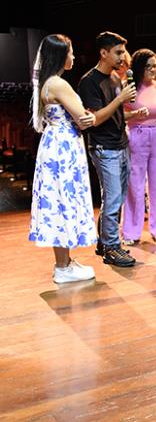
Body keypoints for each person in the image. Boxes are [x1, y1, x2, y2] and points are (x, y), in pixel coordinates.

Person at [28, 34, 98, 283]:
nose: (74, 56)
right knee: (62, 201)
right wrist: (91, 116)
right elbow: (83, 119)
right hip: (64, 147)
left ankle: (65, 263)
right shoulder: (58, 83)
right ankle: (63, 267)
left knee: (59, 201)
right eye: (71, 51)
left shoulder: (48, 82)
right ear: (60, 55)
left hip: (57, 144)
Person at [77, 31, 137, 267]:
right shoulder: (89, 82)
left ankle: (105, 241)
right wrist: (120, 99)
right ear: (104, 53)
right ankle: (112, 248)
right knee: (112, 199)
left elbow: (116, 115)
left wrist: (127, 108)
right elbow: (95, 119)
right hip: (103, 147)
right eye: (118, 52)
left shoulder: (114, 78)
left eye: (123, 51)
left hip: (121, 144)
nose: (123, 57)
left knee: (116, 198)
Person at [122, 49, 156, 245]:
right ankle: (131, 232)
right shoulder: (128, 88)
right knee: (134, 185)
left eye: (155, 65)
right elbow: (119, 114)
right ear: (139, 67)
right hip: (137, 136)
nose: (153, 69)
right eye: (149, 66)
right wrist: (133, 119)